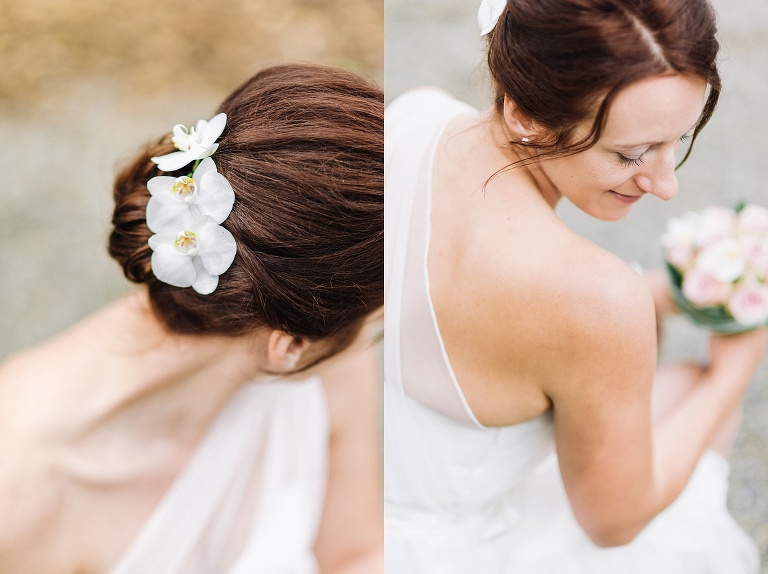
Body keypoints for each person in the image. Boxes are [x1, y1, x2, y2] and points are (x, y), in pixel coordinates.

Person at [384, 0, 767, 572]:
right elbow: (614, 522)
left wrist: (660, 296)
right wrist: (735, 369)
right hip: (450, 554)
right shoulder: (595, 298)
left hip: (388, 492)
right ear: (526, 116)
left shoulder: (414, 117)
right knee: (702, 388)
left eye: (679, 140)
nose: (667, 185)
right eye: (631, 154)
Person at [0, 63, 383, 573]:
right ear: (290, 348)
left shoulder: (324, 333)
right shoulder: (21, 495)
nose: (372, 334)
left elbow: (356, 553)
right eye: (378, 324)